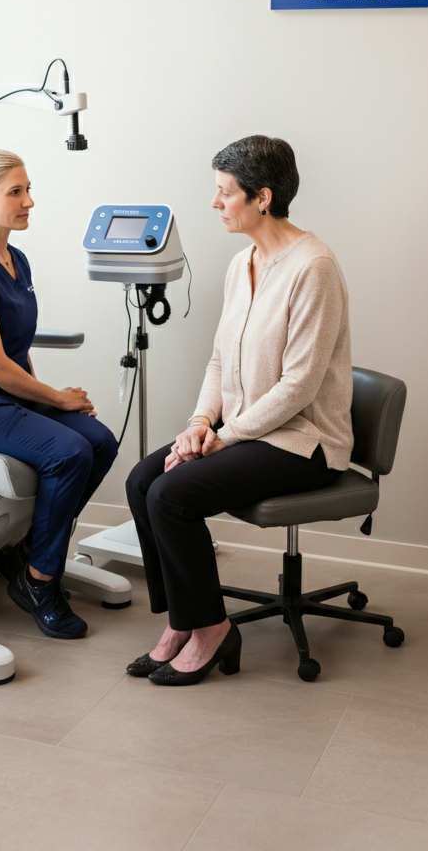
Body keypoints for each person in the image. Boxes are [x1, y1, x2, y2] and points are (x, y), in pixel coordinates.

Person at [125, 135, 354, 686]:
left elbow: (299, 387)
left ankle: (210, 629)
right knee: (141, 480)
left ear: (263, 198)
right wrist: (200, 425)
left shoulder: (313, 268)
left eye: (225, 193)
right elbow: (220, 361)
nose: (215, 203)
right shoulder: (241, 264)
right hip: (246, 433)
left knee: (171, 494)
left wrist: (224, 437)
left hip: (304, 442)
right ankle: (186, 621)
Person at [0, 148, 118, 640]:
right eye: (16, 191)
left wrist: (46, 400)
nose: (29, 201)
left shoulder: (16, 259)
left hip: (4, 397)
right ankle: (40, 580)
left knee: (99, 439)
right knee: (70, 451)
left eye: (28, 189)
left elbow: (17, 349)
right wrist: (56, 399)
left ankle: (32, 553)